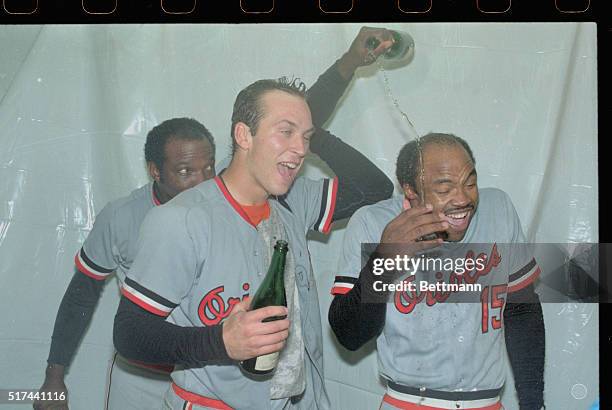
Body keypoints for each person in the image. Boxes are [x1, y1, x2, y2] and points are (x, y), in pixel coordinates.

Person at [113, 28, 397, 410]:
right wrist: (221, 342)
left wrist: (314, 128)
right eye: (285, 132)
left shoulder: (292, 200)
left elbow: (372, 187)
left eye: (306, 138)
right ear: (243, 136)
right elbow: (129, 334)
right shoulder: (182, 220)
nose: (300, 150)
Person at [328, 133, 545, 410]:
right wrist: (384, 261)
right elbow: (350, 335)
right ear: (410, 191)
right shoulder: (374, 222)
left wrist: (533, 403)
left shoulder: (497, 210)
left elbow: (521, 309)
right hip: (408, 402)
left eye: (470, 182)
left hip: (486, 403)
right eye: (445, 189)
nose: (463, 199)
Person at [34, 117, 217, 410]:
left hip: (206, 374)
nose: (203, 182)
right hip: (140, 376)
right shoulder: (122, 216)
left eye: (209, 168)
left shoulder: (225, 211)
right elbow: (82, 295)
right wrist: (54, 377)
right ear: (155, 171)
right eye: (186, 171)